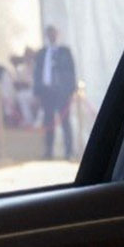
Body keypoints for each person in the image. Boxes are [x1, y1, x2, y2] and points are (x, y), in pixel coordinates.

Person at [35, 24, 76, 158]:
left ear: (57, 34)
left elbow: (71, 71)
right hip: (47, 92)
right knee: (48, 122)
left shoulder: (65, 51)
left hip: (62, 92)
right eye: (49, 33)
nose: (51, 36)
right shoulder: (42, 53)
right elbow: (38, 72)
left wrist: (71, 89)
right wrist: (37, 91)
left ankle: (69, 151)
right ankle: (48, 151)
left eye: (53, 33)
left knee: (65, 121)